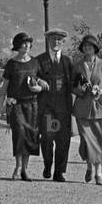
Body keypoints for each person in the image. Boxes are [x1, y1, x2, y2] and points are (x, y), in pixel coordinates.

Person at [0, 32, 42, 181]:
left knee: (30, 136)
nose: (27, 45)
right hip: (16, 104)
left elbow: (41, 81)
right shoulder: (12, 64)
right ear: (17, 45)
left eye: (29, 43)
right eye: (24, 43)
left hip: (32, 104)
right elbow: (5, 86)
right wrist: (0, 104)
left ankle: (25, 169)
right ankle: (18, 166)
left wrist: (39, 88)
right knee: (19, 133)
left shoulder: (35, 62)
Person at [72, 34, 102, 185]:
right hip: (83, 109)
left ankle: (99, 174)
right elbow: (72, 86)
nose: (87, 48)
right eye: (85, 46)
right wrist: (80, 91)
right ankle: (89, 166)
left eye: (90, 46)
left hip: (100, 108)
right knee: (88, 141)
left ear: (95, 48)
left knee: (101, 140)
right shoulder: (77, 65)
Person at [34, 28, 74, 182]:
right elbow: (31, 76)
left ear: (63, 42)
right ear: (48, 41)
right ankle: (47, 165)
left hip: (63, 108)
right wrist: (39, 80)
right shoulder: (39, 60)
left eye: (59, 40)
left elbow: (74, 81)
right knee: (48, 138)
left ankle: (59, 172)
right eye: (53, 39)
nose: (56, 42)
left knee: (63, 140)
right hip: (48, 109)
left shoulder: (68, 61)